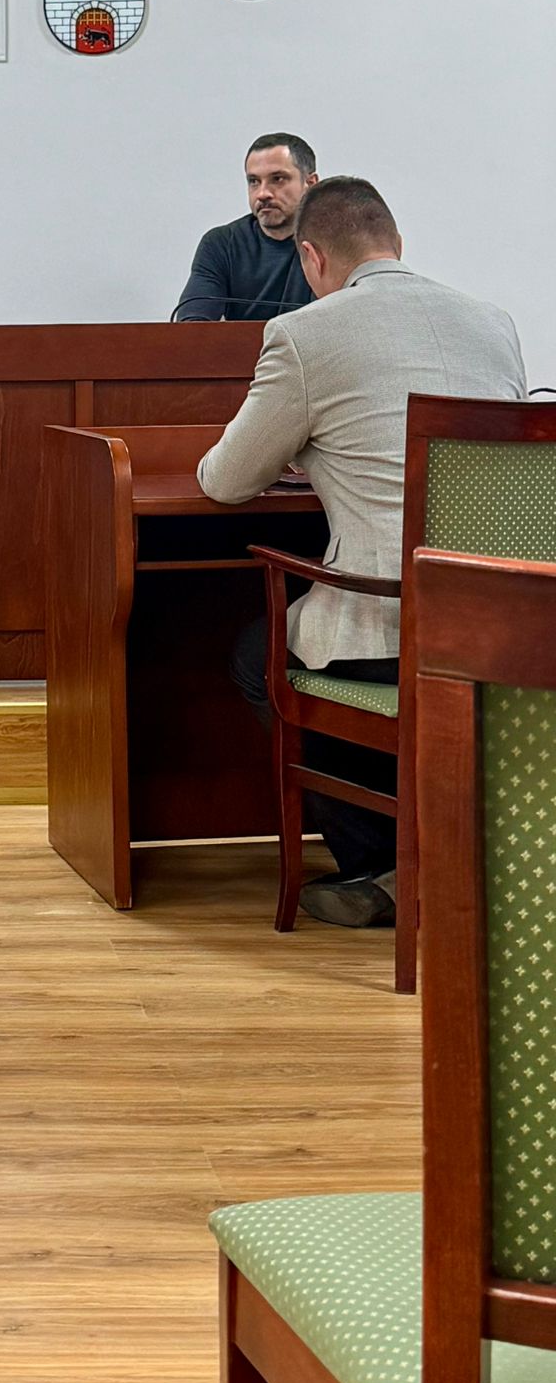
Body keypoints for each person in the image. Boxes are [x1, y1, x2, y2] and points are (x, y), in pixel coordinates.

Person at [198, 177, 526, 927]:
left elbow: (226, 481)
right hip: (501, 619)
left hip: (392, 621)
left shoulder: (303, 333)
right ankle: (452, 854)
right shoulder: (494, 322)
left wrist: (306, 448)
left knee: (258, 656)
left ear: (311, 258)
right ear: (397, 245)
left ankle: (382, 862)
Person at [175, 133, 319, 321]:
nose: (262, 193)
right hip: (242, 342)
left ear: (310, 184)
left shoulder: (336, 242)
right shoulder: (222, 244)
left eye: (278, 179)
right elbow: (192, 324)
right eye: (254, 181)